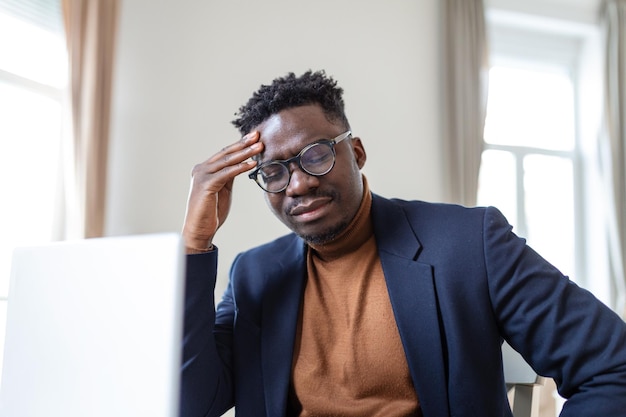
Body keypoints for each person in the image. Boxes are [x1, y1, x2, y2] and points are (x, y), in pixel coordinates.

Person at [179, 70, 626, 417]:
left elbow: (611, 366)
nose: (296, 184)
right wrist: (195, 245)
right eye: (273, 172)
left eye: (315, 155)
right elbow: (193, 403)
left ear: (355, 152)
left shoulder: (471, 244)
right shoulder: (254, 274)